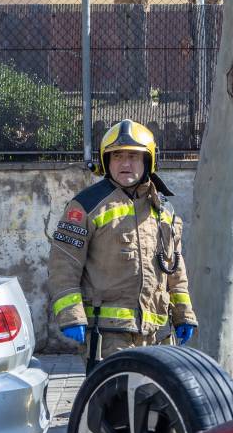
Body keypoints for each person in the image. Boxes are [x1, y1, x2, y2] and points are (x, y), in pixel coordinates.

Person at [47, 120, 197, 371]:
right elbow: (63, 264)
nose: (125, 164)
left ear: (148, 161)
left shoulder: (164, 211)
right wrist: (71, 315)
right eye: (117, 156)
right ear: (107, 161)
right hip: (108, 338)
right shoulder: (86, 205)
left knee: (154, 404)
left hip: (158, 336)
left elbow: (175, 270)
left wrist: (184, 313)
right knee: (114, 407)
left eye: (133, 156)